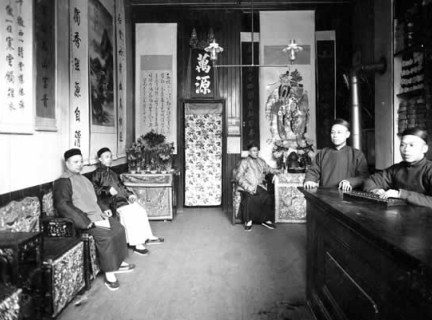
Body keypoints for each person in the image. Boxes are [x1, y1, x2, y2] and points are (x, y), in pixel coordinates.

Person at [53, 148, 134, 291]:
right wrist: (86, 222)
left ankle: (118, 262)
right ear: (67, 163)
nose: (79, 164)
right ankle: (110, 275)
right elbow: (63, 205)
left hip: (97, 216)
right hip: (84, 221)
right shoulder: (63, 182)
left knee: (119, 228)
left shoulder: (84, 179)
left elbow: (95, 199)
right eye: (75, 162)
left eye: (81, 161)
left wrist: (104, 208)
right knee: (106, 236)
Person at [91, 147, 164, 256]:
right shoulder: (96, 174)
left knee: (140, 210)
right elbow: (94, 191)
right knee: (131, 213)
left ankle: (148, 236)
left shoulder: (113, 173)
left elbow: (122, 186)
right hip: (111, 204)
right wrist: (107, 190)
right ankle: (137, 244)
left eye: (110, 157)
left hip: (122, 201)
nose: (109, 159)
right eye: (106, 157)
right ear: (100, 159)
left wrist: (130, 195)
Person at [363, 127, 432, 207]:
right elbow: (369, 181)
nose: (406, 149)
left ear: (424, 148)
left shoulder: (429, 169)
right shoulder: (396, 169)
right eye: (402, 145)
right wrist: (376, 190)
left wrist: (401, 194)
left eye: (412, 145)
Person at [304, 118, 369, 191]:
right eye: (333, 132)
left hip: (348, 197)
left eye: (339, 132)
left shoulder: (357, 154)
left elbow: (363, 177)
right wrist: (310, 180)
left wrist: (349, 182)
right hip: (324, 195)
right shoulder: (323, 153)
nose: (335, 135)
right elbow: (313, 171)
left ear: (347, 134)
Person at [236, 142, 279, 231]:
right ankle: (248, 221)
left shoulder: (261, 161)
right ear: (249, 152)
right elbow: (239, 177)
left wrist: (277, 171)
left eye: (257, 151)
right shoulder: (244, 162)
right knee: (249, 197)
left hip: (259, 185)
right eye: (253, 151)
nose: (256, 152)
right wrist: (248, 187)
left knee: (267, 197)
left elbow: (268, 169)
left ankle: (265, 220)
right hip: (247, 186)